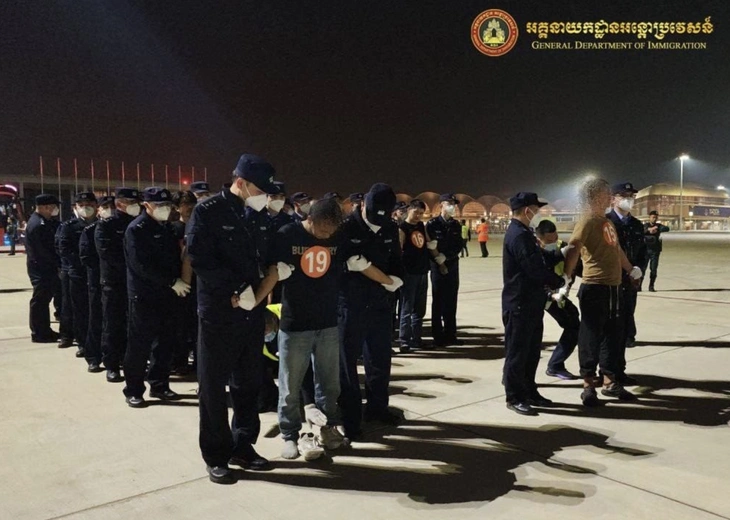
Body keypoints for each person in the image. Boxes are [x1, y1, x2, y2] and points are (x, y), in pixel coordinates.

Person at [187, 153, 281, 485]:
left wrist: (266, 283)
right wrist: (236, 289)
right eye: (260, 189)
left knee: (248, 383)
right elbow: (200, 258)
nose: (264, 196)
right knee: (213, 387)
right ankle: (216, 455)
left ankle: (243, 445)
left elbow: (264, 255)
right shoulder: (208, 211)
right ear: (240, 182)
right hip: (219, 311)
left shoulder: (259, 215)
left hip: (251, 312)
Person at [274, 197, 347, 460]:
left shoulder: (337, 237)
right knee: (290, 385)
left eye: (331, 231)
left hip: (327, 321)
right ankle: (289, 433)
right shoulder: (287, 234)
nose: (327, 235)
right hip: (296, 322)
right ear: (311, 219)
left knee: (329, 383)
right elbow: (270, 271)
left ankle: (327, 428)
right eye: (323, 229)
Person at [563, 178, 643, 406]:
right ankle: (588, 385)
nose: (610, 197)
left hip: (614, 289)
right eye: (606, 193)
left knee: (613, 337)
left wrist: (630, 269)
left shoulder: (606, 222)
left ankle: (609, 381)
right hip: (595, 288)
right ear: (595, 196)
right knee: (590, 338)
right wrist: (566, 278)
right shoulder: (587, 221)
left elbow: (616, 250)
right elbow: (573, 247)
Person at [338, 183, 404, 440]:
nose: (378, 222)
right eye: (374, 215)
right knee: (347, 365)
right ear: (363, 204)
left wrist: (396, 280)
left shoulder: (389, 227)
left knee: (379, 359)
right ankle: (351, 418)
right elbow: (337, 265)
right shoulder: (346, 227)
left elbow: (396, 260)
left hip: (380, 303)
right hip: (350, 305)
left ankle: (378, 408)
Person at [123, 188, 190, 408]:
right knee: (139, 345)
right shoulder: (137, 229)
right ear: (146, 205)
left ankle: (159, 384)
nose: (165, 209)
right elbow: (140, 266)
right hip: (145, 295)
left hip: (167, 295)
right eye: (159, 205)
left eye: (167, 205)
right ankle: (133, 390)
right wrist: (171, 281)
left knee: (164, 343)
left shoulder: (168, 228)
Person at [502, 193, 567, 416]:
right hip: (519, 303)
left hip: (531, 303)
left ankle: (529, 391)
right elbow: (533, 268)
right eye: (536, 208)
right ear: (526, 210)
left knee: (531, 353)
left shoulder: (525, 233)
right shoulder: (518, 235)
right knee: (518, 354)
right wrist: (558, 281)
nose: (538, 212)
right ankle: (514, 396)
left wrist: (559, 254)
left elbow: (539, 258)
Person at [96, 187, 142, 383]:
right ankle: (112, 364)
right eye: (129, 203)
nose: (134, 206)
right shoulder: (107, 225)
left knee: (134, 325)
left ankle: (129, 360)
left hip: (136, 283)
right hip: (115, 282)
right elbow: (108, 254)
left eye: (136, 202)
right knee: (113, 324)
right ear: (119, 204)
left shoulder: (140, 224)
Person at [606, 182, 647, 384]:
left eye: (631, 196)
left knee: (624, 328)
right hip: (611, 284)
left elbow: (643, 253)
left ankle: (619, 370)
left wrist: (638, 272)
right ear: (613, 198)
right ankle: (607, 372)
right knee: (609, 330)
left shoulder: (637, 225)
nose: (628, 199)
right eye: (623, 195)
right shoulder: (606, 222)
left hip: (630, 284)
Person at [535, 220, 579, 380]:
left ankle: (556, 364)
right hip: (540, 297)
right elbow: (536, 275)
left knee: (574, 325)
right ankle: (515, 375)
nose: (553, 242)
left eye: (555, 238)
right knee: (530, 336)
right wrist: (549, 293)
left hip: (558, 296)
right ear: (539, 238)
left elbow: (574, 268)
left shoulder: (563, 247)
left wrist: (565, 286)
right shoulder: (533, 250)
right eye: (549, 240)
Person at [55, 192, 98, 358]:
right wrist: (83, 262)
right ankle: (81, 342)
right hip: (76, 273)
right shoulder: (69, 226)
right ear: (76, 207)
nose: (86, 208)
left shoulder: (101, 225)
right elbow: (63, 249)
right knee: (77, 309)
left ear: (96, 206)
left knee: (95, 310)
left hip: (96, 273)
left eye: (90, 204)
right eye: (82, 205)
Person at [79, 196, 114, 373]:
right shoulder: (91, 230)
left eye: (111, 206)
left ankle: (115, 355)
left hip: (116, 282)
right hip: (97, 281)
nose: (109, 210)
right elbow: (86, 257)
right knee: (96, 319)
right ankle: (93, 357)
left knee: (114, 322)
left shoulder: (120, 227)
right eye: (105, 207)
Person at [426, 194, 463, 347]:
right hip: (437, 267)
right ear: (441, 205)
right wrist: (439, 260)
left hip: (453, 265)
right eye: (449, 203)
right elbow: (429, 246)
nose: (452, 206)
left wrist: (447, 257)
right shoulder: (432, 224)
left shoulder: (455, 225)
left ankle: (450, 334)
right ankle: (438, 336)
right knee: (438, 301)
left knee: (452, 300)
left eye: (454, 203)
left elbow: (459, 244)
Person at [25, 194, 62, 343]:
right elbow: (43, 251)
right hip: (41, 268)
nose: (55, 209)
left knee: (44, 299)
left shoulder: (45, 222)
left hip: (44, 267)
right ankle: (39, 333)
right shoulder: (38, 225)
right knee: (40, 300)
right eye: (53, 206)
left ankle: (44, 330)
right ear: (45, 207)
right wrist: (57, 263)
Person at [170, 190, 198, 373]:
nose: (189, 208)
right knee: (178, 326)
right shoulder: (173, 229)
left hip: (197, 283)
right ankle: (179, 361)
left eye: (192, 204)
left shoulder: (200, 227)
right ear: (177, 208)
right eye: (185, 204)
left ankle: (197, 361)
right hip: (178, 283)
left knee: (196, 326)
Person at [398, 199, 430, 352]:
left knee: (420, 309)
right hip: (409, 273)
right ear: (409, 210)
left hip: (422, 271)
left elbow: (427, 242)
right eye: (416, 212)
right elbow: (399, 250)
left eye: (421, 213)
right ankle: (404, 340)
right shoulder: (402, 228)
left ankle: (417, 339)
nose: (418, 216)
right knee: (407, 308)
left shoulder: (421, 226)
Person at [643, 210, 670, 292]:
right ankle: (638, 285)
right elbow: (640, 230)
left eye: (656, 217)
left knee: (653, 269)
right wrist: (649, 230)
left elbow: (667, 228)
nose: (654, 219)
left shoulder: (658, 226)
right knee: (642, 269)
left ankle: (651, 286)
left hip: (655, 251)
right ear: (649, 217)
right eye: (653, 217)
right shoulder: (645, 226)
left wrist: (657, 228)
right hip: (645, 251)